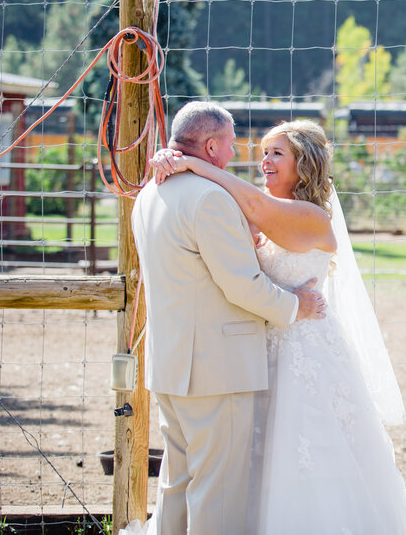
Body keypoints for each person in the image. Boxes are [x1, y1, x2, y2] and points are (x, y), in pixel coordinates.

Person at [148, 119, 406, 534]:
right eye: (263, 152)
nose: (264, 160)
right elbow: (241, 211)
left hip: (305, 349)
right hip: (257, 352)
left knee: (303, 454)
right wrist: (178, 159)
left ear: (303, 164)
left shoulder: (312, 218)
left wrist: (191, 163)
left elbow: (252, 205)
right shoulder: (261, 211)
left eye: (277, 153)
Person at [130, 103, 327, 535]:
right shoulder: (210, 199)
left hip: (169, 367)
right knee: (218, 492)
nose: (238, 151)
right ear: (212, 145)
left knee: (176, 484)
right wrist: (296, 305)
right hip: (216, 369)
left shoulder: (149, 194)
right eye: (232, 143)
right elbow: (242, 285)